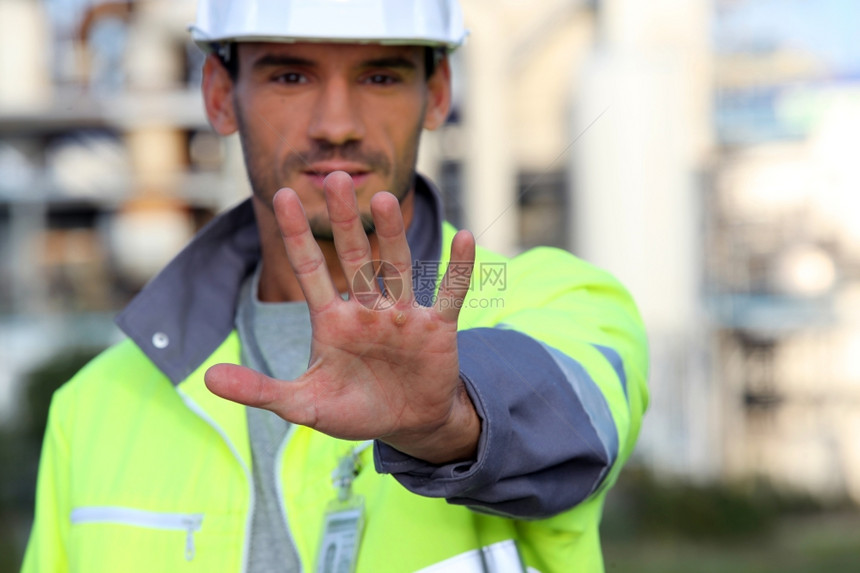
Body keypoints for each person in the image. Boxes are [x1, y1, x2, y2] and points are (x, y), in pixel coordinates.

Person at [22, 1, 649, 571]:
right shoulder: (93, 406)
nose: (336, 123)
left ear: (437, 92)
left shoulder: (562, 304)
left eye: (380, 76)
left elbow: (571, 426)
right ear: (218, 94)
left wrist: (451, 420)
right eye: (290, 76)